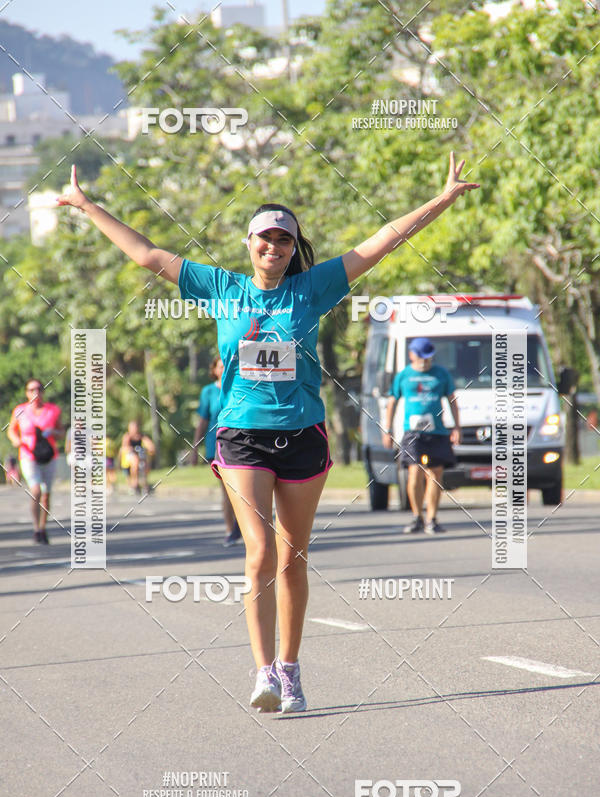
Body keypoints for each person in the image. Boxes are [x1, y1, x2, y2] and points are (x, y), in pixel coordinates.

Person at [56, 152, 479, 712]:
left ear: (292, 248)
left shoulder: (314, 288)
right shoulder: (221, 287)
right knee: (258, 553)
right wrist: (87, 206)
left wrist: (442, 199)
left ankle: (291, 666)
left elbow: (383, 241)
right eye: (264, 239)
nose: (273, 248)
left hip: (302, 433)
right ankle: (262, 674)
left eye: (283, 240)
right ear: (248, 244)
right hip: (241, 435)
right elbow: (147, 254)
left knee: (290, 558)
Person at [383, 337, 461, 535]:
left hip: (437, 433)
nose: (425, 361)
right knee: (414, 474)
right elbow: (392, 402)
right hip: (413, 434)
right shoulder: (404, 376)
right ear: (411, 355)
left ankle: (432, 519)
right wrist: (388, 430)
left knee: (435, 475)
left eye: (428, 357)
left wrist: (457, 427)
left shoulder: (441, 374)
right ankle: (417, 516)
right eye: (421, 357)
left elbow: (452, 400)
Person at [191, 355, 241, 546]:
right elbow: (203, 420)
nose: (222, 369)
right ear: (213, 369)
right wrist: (195, 447)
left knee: (241, 489)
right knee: (227, 489)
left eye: (225, 366)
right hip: (217, 444)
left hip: (239, 442)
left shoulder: (237, 386)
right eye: (219, 366)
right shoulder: (208, 391)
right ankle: (231, 530)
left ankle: (242, 527)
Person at [8, 379, 64, 544]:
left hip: (48, 456)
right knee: (36, 490)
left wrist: (54, 431)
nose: (35, 393)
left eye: (39, 389)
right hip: (28, 455)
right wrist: (15, 440)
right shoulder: (20, 410)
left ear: (43, 392)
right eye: (31, 390)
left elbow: (61, 431)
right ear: (26, 393)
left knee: (46, 495)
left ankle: (42, 528)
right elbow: (11, 430)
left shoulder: (53, 410)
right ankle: (35, 527)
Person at [120, 420, 155, 494]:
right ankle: (134, 483)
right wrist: (130, 449)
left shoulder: (141, 436)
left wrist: (151, 448)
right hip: (129, 455)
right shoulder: (127, 436)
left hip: (139, 454)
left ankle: (144, 482)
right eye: (132, 428)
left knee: (145, 463)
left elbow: (149, 444)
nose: (134, 429)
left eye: (135, 427)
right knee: (135, 462)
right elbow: (124, 447)